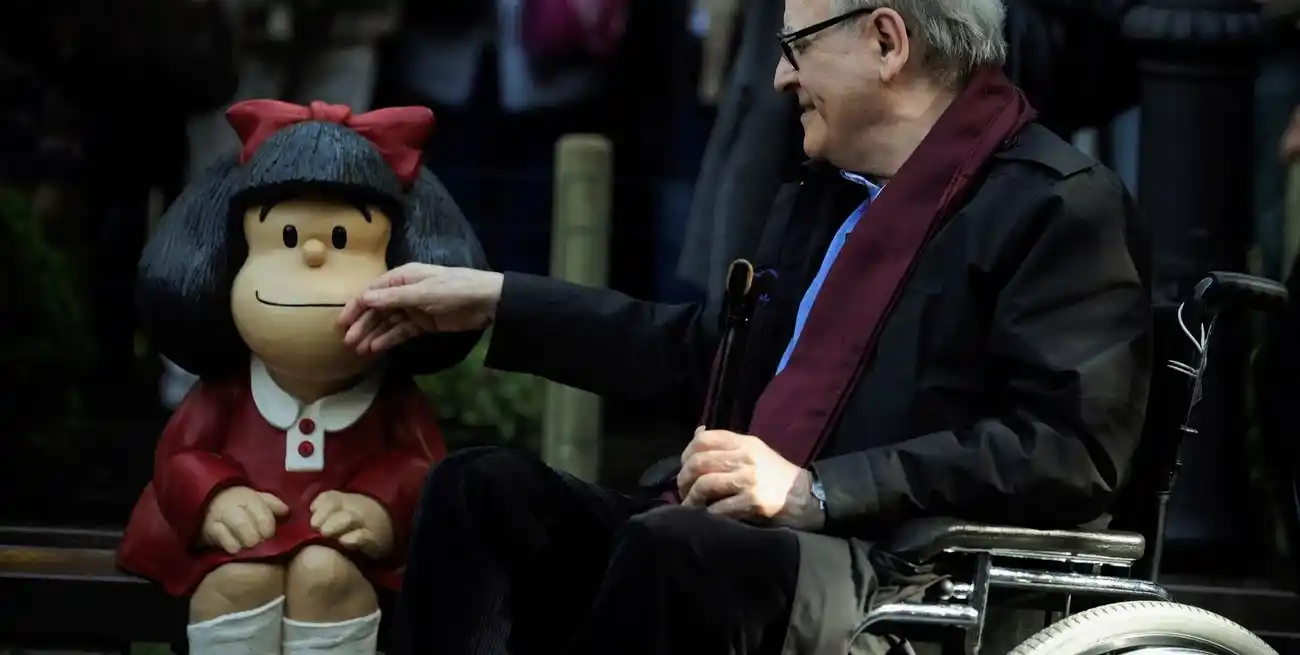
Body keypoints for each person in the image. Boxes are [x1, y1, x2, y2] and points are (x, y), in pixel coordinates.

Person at [340, 0, 1153, 652]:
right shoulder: (827, 195)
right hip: (748, 536)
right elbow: (704, 354)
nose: (776, 77)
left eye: (795, 46)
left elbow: (1067, 448)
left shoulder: (1058, 203)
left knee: (679, 551)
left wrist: (817, 490)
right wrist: (498, 299)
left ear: (885, 40)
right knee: (482, 491)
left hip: (906, 566)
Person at [118, 99, 489, 655]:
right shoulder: (228, 393)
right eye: (287, 240)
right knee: (238, 580)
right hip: (237, 550)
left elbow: (420, 469)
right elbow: (179, 458)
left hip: (346, 559)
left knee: (328, 578)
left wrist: (379, 506)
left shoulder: (390, 402)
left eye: (343, 242)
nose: (314, 259)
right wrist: (213, 498)